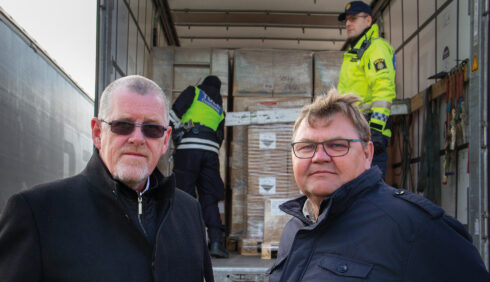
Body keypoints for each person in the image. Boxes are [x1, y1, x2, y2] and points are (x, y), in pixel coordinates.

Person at [0, 75, 214, 281]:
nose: (137, 139)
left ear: (165, 140)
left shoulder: (189, 212)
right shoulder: (37, 213)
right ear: (97, 133)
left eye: (152, 129)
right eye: (123, 125)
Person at [267, 90, 490, 281]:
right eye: (306, 147)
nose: (319, 157)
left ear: (367, 153)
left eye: (337, 145)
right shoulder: (295, 230)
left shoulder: (414, 228)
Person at [170, 75, 228, 258]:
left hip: (188, 148)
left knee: (183, 195)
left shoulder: (194, 92)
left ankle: (182, 242)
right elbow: (220, 137)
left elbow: (173, 113)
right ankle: (216, 242)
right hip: (210, 153)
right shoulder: (219, 109)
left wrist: (174, 134)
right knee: (208, 197)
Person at [337, 1, 396, 178]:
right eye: (346, 20)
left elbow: (383, 89)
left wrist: (376, 130)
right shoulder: (357, 51)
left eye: (353, 19)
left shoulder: (375, 48)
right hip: (355, 133)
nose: (348, 24)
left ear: (368, 21)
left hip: (369, 134)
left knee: (370, 195)